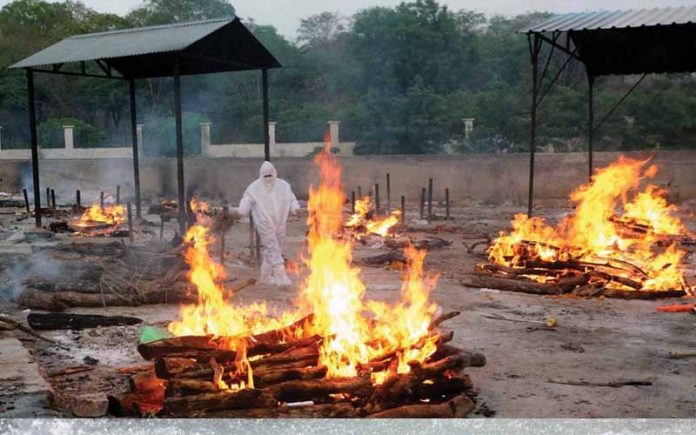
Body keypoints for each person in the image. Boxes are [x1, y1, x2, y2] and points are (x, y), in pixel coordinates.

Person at [238, 161, 300, 286]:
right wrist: (241, 211)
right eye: (266, 176)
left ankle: (265, 276)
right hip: (264, 221)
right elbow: (247, 201)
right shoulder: (254, 188)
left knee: (273, 248)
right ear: (261, 175)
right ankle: (280, 275)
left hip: (280, 221)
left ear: (275, 174)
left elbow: (292, 199)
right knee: (273, 247)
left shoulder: (283, 186)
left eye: (270, 175)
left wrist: (295, 208)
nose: (268, 179)